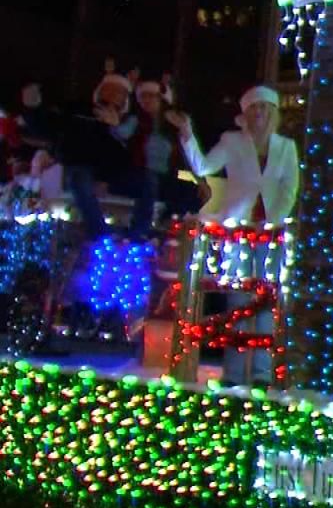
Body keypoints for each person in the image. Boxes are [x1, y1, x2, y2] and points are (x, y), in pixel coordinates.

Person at [168, 85, 300, 385]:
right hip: (236, 229)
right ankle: (235, 373)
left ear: (274, 113)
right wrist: (187, 132)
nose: (261, 114)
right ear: (246, 113)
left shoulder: (286, 147)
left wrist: (272, 221)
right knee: (238, 298)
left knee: (267, 300)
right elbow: (203, 165)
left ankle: (263, 374)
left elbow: (289, 187)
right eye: (255, 108)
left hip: (271, 232)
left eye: (266, 108)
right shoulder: (232, 141)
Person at [62, 74, 155, 240]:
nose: (114, 96)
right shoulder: (81, 114)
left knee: (148, 179)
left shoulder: (130, 122)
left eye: (120, 94)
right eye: (110, 91)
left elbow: (128, 156)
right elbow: (73, 148)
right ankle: (100, 234)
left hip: (114, 174)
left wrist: (115, 128)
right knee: (79, 177)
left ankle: (137, 234)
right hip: (84, 169)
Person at [130, 81, 203, 219]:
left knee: (193, 192)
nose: (147, 100)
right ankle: (139, 231)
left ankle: (168, 225)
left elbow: (187, 155)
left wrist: (201, 181)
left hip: (164, 177)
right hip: (138, 174)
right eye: (143, 96)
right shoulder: (135, 122)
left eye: (152, 96)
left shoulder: (171, 128)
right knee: (149, 181)